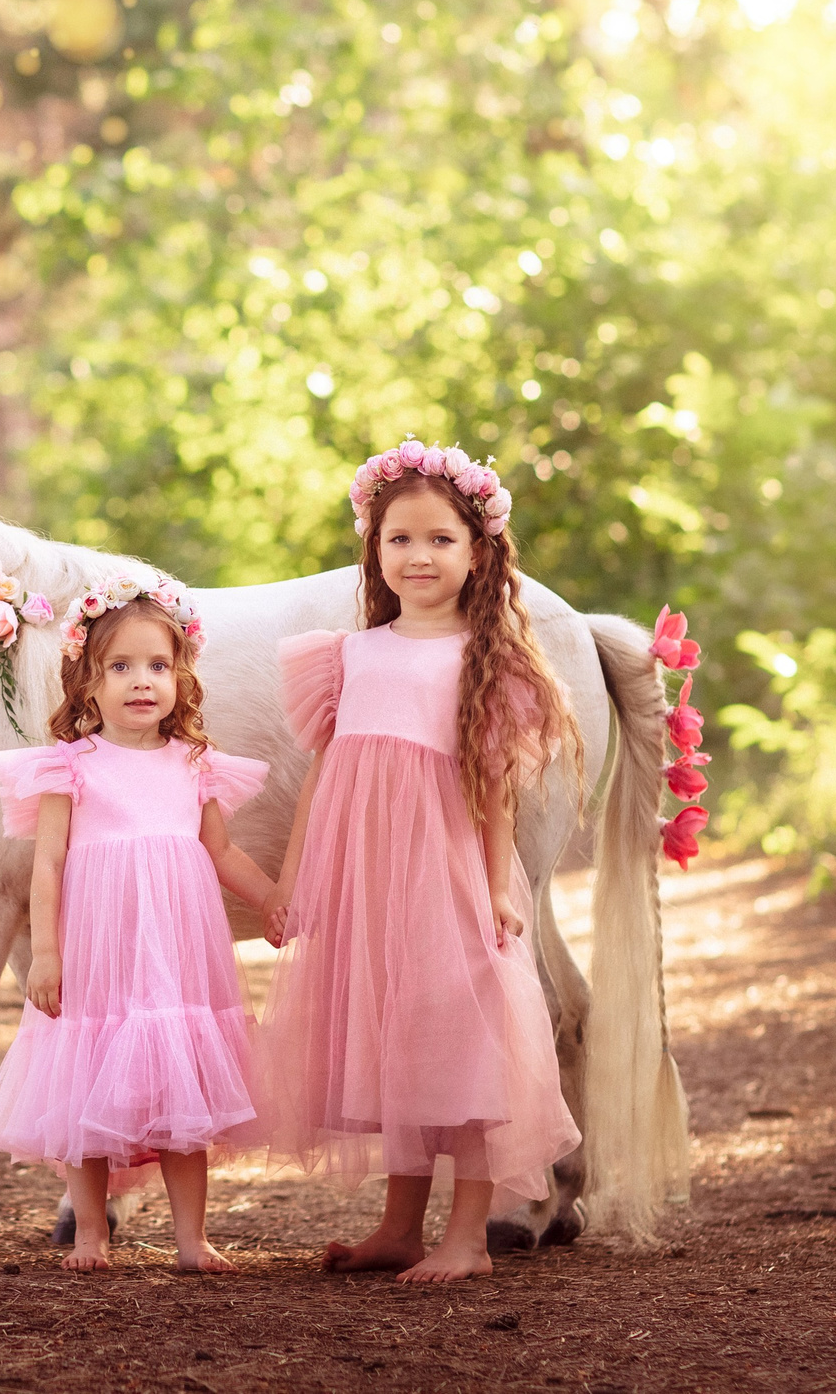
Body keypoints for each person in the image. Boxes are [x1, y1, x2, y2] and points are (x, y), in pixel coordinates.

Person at [257, 441, 583, 1283]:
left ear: (478, 552)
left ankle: (468, 1235)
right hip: (371, 879)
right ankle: (399, 1226)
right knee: (397, 1038)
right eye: (399, 539)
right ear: (375, 550)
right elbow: (324, 776)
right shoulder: (350, 655)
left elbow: (496, 791)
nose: (418, 555)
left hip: (448, 873)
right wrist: (297, 883)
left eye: (440, 538)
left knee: (463, 1039)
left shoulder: (486, 661)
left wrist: (496, 883)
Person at [0, 574, 274, 1272]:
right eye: (122, 667)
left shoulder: (195, 764)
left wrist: (274, 898)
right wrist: (46, 955)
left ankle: (192, 1239)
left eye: (159, 666)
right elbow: (46, 868)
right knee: (88, 1081)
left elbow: (221, 851)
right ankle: (89, 1233)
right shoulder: (70, 768)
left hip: (177, 951)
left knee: (182, 1089)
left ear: (180, 677)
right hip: (100, 952)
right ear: (88, 681)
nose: (143, 681)